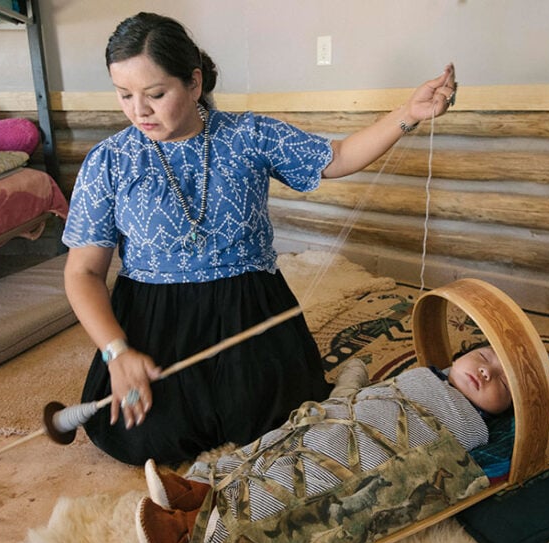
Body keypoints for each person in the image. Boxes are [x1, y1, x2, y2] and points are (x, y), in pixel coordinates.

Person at [61, 11, 459, 466]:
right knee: (145, 434)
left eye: (155, 94)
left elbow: (338, 156)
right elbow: (83, 272)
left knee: (276, 421)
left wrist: (409, 113)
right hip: (153, 317)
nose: (138, 110)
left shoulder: (248, 136)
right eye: (123, 94)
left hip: (247, 307)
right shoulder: (109, 161)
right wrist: (118, 352)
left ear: (193, 83)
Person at [134, 345, 517, 543]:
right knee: (275, 445)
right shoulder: (425, 374)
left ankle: (189, 534)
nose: (486, 370)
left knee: (299, 486)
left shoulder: (473, 430)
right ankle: (199, 489)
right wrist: (352, 382)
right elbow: (361, 393)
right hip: (338, 420)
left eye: (502, 381)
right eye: (485, 355)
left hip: (371, 451)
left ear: (507, 410)